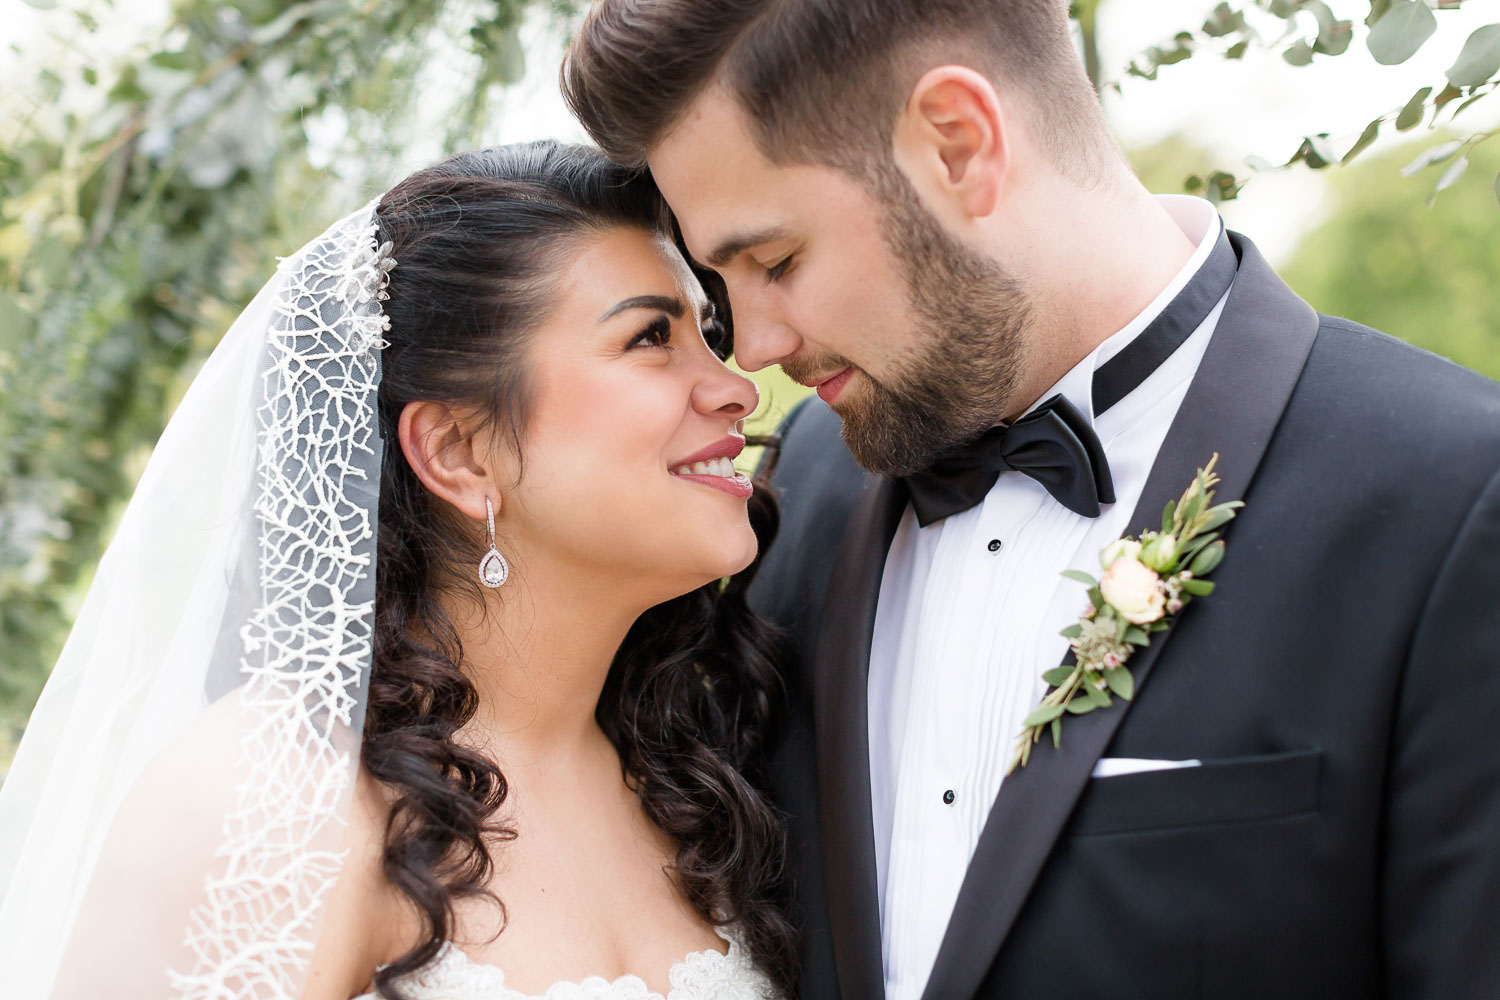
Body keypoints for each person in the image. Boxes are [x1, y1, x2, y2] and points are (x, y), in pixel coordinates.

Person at [561, 2, 1500, 998]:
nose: (753, 345)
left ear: (959, 144)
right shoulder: (791, 499)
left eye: (777, 261)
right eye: (719, 280)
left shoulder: (1454, 499)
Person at [0, 142, 792, 999]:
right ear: (456, 450)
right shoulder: (272, 798)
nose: (735, 388)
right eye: (651, 337)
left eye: (707, 335)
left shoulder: (698, 773)